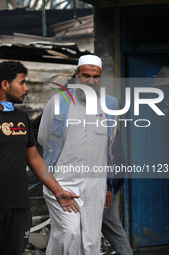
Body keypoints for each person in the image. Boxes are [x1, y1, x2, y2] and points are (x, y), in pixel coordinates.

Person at [0, 61, 80, 255]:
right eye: (22, 83)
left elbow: (34, 158)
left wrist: (58, 191)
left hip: (19, 208)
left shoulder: (21, 118)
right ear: (5, 85)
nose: (26, 88)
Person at [38, 54, 123, 254]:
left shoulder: (110, 105)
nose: (90, 81)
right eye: (86, 75)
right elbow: (43, 138)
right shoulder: (59, 101)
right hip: (62, 181)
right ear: (76, 75)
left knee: (91, 240)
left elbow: (112, 148)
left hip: (96, 184)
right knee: (68, 233)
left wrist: (110, 185)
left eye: (96, 76)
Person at [102, 128, 134, 255]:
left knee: (87, 233)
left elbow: (114, 157)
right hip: (106, 188)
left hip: (103, 189)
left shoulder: (107, 126)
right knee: (114, 230)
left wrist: (109, 186)